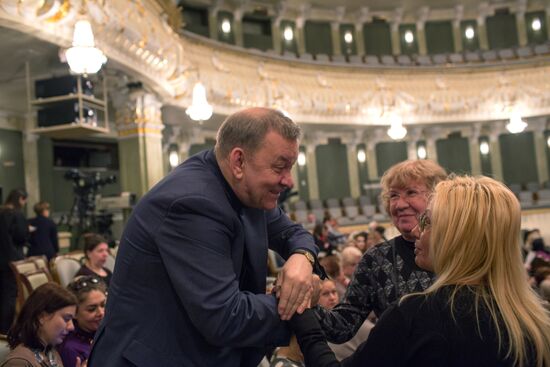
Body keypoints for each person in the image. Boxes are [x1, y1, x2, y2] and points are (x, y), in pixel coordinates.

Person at [88, 107, 321, 367]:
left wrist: (303, 257)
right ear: (239, 161)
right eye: (279, 167)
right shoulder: (192, 203)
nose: (289, 181)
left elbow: (293, 233)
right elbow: (225, 316)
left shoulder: (247, 189)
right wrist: (301, 301)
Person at [290, 176, 550, 367]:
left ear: (454, 237)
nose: (417, 231)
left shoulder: (415, 315)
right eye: (393, 195)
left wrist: (303, 316)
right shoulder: (535, 321)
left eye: (427, 222)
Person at [316, 159, 446, 343]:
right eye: (393, 196)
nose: (399, 205)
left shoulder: (459, 250)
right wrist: (306, 301)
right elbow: (341, 327)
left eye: (411, 193)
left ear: (437, 198)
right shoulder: (376, 259)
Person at [2, 282, 79, 367]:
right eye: (66, 319)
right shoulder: (19, 363)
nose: (71, 327)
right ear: (41, 317)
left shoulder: (51, 351)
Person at [58, 276, 107, 367]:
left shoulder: (105, 330)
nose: (101, 313)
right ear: (74, 313)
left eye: (103, 305)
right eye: (91, 309)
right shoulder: (70, 350)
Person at [0, 188, 29, 334]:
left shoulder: (1, 212)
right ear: (20, 199)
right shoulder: (16, 215)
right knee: (9, 296)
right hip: (11, 260)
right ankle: (4, 332)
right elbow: (21, 236)